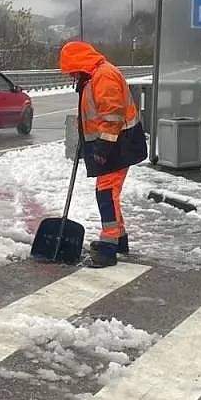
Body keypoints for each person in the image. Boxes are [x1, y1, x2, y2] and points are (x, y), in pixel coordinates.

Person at [58, 41, 148, 268]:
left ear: (79, 64)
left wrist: (102, 147)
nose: (71, 76)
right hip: (116, 145)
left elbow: (112, 116)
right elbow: (93, 115)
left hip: (120, 145)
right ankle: (120, 240)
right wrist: (85, 142)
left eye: (72, 71)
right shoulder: (92, 77)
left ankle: (109, 248)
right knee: (109, 193)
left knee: (106, 194)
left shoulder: (103, 77)